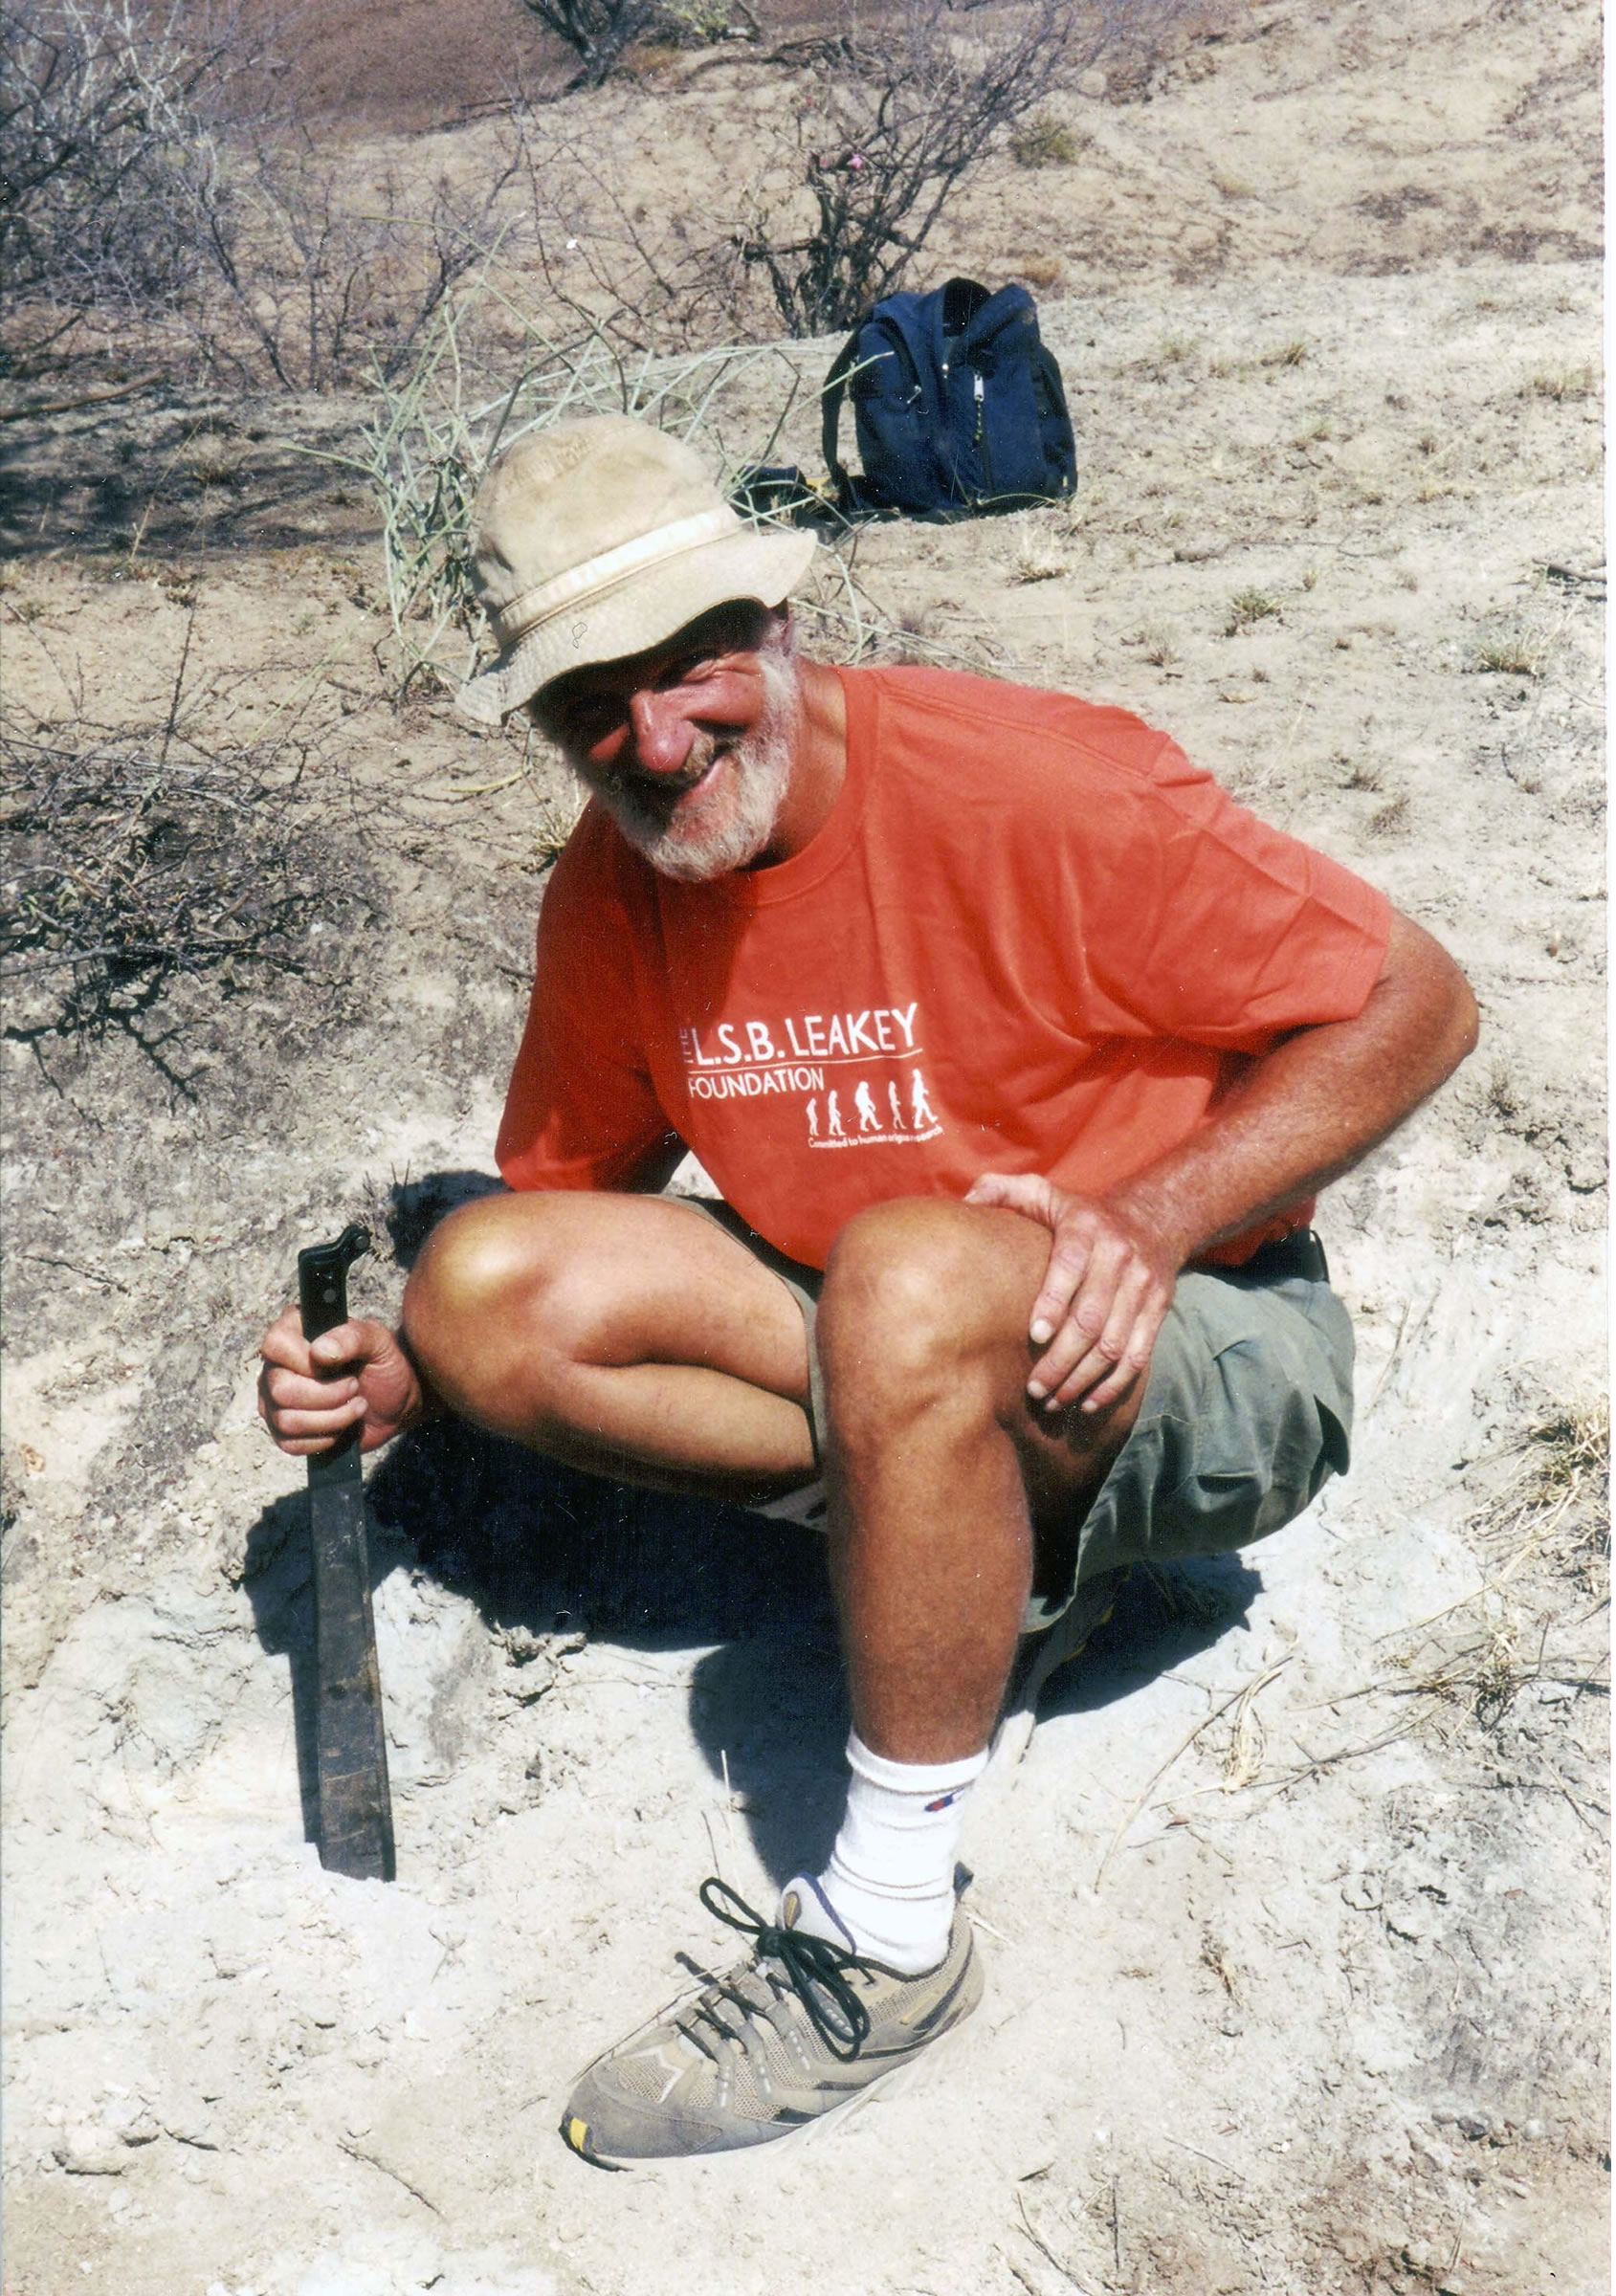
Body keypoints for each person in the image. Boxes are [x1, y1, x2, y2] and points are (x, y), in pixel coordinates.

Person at [257, 414, 1478, 2167]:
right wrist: (396, 1372)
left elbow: (1418, 1002)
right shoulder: (617, 891)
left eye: (687, 672)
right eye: (588, 703)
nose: (654, 740)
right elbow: (557, 1222)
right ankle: (993, 1578)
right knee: (485, 1287)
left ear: (772, 628)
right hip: (910, 1351)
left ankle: (889, 1931)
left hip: (1203, 1345)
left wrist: (1147, 1214)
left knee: (903, 1269)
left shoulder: (1034, 783)